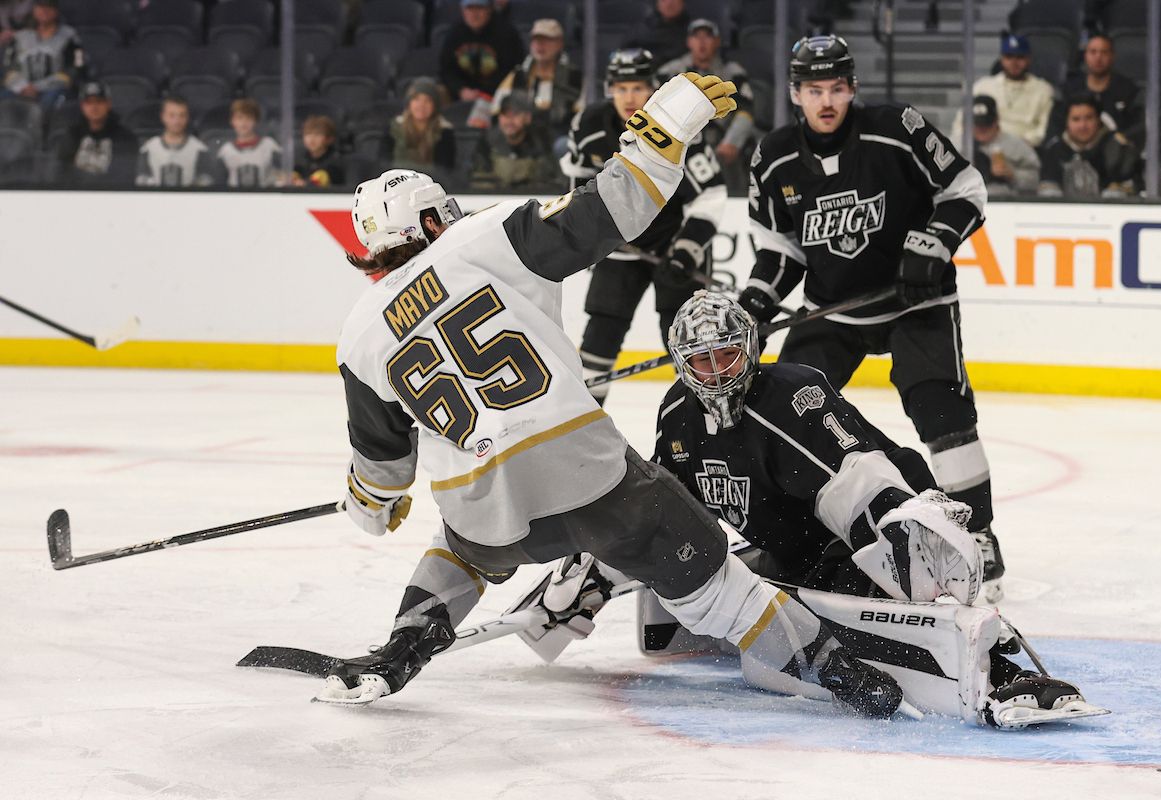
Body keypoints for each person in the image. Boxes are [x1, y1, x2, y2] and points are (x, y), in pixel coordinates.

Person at [320, 73, 907, 720]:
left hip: (481, 496)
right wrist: (667, 126)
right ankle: (835, 668)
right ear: (432, 218)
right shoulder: (483, 236)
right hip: (584, 471)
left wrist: (369, 504)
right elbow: (613, 206)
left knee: (462, 544)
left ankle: (405, 644)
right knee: (712, 582)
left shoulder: (358, 334)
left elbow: (381, 470)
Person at [637, 290, 1103, 729]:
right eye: (702, 359)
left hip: (863, 532)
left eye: (727, 354)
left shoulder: (791, 396)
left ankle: (999, 673)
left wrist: (900, 540)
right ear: (682, 364)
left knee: (885, 591)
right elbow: (660, 512)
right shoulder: (676, 414)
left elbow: (862, 482)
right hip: (790, 552)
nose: (717, 373)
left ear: (750, 348)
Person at [736, 36, 1005, 602]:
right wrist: (758, 301)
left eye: (836, 88)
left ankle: (977, 534)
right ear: (795, 94)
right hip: (834, 308)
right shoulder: (775, 157)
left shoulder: (896, 128)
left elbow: (965, 187)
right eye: (814, 90)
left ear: (852, 88)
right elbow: (781, 247)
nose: (826, 100)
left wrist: (933, 241)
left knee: (938, 404)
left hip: (916, 299)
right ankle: (792, 537)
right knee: (783, 410)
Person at [561, 48, 728, 406]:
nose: (629, 97)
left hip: (674, 244)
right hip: (618, 242)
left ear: (653, 88)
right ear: (609, 89)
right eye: (621, 88)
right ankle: (583, 420)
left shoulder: (678, 124)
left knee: (689, 335)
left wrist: (688, 249)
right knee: (601, 333)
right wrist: (594, 235)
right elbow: (577, 184)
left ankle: (703, 415)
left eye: (637, 87)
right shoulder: (589, 124)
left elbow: (711, 195)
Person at [657, 18, 755, 170]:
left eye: (707, 36)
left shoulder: (733, 73)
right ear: (689, 41)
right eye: (696, 37)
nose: (701, 42)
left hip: (722, 143)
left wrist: (732, 142)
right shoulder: (670, 72)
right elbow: (655, 109)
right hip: (679, 141)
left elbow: (746, 111)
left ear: (717, 41)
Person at [953, 33, 1054, 149]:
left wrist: (1013, 145)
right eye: (1009, 57)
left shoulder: (1043, 89)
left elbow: (1042, 131)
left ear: (1028, 59)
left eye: (1020, 57)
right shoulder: (983, 86)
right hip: (983, 147)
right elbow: (960, 124)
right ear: (1001, 58)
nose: (1014, 63)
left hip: (1024, 149)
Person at [490, 18, 582, 141]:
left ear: (560, 43)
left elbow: (582, 117)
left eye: (547, 40)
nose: (540, 45)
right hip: (524, 140)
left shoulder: (574, 78)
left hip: (560, 138)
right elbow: (496, 110)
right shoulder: (518, 75)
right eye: (536, 40)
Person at [1038, 93, 1140, 198]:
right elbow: (1048, 192)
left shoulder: (1118, 149)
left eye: (1089, 118)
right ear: (1066, 122)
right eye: (1076, 119)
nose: (1083, 125)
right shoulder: (1054, 150)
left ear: (1099, 120)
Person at [1053, 33, 1141, 143]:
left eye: (1104, 52)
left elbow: (1136, 128)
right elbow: (1057, 126)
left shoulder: (1128, 90)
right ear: (1085, 55)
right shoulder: (1070, 88)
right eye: (1093, 52)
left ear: (1113, 56)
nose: (1098, 57)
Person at [438, 0, 524, 104]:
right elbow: (446, 70)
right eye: (470, 9)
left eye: (479, 8)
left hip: (498, 93)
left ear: (489, 10)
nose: (474, 14)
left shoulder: (506, 33)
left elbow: (512, 70)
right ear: (462, 11)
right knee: (437, 92)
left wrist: (484, 93)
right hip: (462, 93)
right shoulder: (454, 33)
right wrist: (460, 90)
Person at [0, 0, 79, 112]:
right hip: (22, 88)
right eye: (40, 7)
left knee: (48, 104)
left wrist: (39, 87)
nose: (44, 11)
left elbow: (76, 67)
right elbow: (8, 67)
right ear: (34, 10)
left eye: (49, 7)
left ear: (56, 11)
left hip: (53, 89)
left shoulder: (69, 36)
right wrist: (21, 86)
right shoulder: (20, 36)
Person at [54, 79, 137, 186]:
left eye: (99, 101)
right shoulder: (72, 135)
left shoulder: (125, 138)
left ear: (108, 104)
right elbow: (61, 173)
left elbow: (123, 176)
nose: (94, 107)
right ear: (82, 106)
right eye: (89, 102)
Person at [469, 92, 557, 191]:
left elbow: (549, 184)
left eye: (515, 115)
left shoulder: (541, 143)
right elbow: (478, 182)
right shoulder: (487, 143)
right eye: (505, 115)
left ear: (528, 118)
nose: (509, 121)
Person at [380, 78, 456, 180]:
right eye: (416, 99)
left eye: (427, 100)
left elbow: (444, 170)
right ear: (409, 103)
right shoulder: (394, 127)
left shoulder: (445, 131)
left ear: (435, 105)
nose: (421, 105)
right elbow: (383, 165)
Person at [135, 95, 218, 187]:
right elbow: (141, 181)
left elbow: (206, 183)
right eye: (171, 115)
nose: (177, 120)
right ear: (163, 116)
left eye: (182, 115)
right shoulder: (148, 149)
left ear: (187, 117)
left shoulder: (200, 149)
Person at [971, 94, 1039, 197]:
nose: (982, 129)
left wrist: (1013, 174)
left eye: (986, 124)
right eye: (977, 124)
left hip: (1006, 203)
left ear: (997, 120)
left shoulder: (1016, 146)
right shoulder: (956, 146)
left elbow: (1036, 179)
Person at [216, 98, 281, 188]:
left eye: (249, 118)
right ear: (232, 121)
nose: (244, 123)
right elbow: (219, 185)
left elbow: (281, 177)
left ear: (255, 121)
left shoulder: (270, 146)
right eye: (239, 118)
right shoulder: (225, 151)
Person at [624, 0, 689, 69]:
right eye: (664, 0)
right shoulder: (641, 28)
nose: (669, 3)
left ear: (682, 2)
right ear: (657, 3)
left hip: (681, 73)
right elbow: (625, 54)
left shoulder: (693, 30)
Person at [292, 114, 344, 187]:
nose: (312, 139)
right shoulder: (299, 161)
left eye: (318, 134)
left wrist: (306, 184)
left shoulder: (336, 162)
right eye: (308, 134)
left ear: (329, 138)